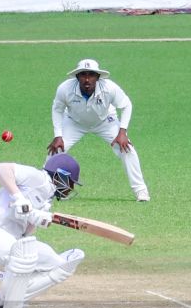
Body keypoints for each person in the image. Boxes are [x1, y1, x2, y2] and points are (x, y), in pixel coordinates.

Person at [0, 154, 84, 308]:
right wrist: (18, 197)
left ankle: (1, 301)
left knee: (58, 265)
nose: (70, 188)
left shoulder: (46, 200)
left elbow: (25, 235)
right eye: (71, 182)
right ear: (61, 176)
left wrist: (37, 220)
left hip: (8, 243)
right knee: (24, 254)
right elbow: (1, 168)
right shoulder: (38, 178)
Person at [47, 59, 150, 203]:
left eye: (91, 75)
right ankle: (45, 190)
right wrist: (58, 136)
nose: (87, 79)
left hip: (105, 121)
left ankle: (141, 191)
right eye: (83, 75)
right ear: (77, 77)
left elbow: (126, 105)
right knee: (56, 150)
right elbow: (57, 110)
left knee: (127, 149)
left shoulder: (110, 88)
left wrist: (122, 132)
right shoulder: (64, 89)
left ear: (98, 77)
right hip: (74, 122)